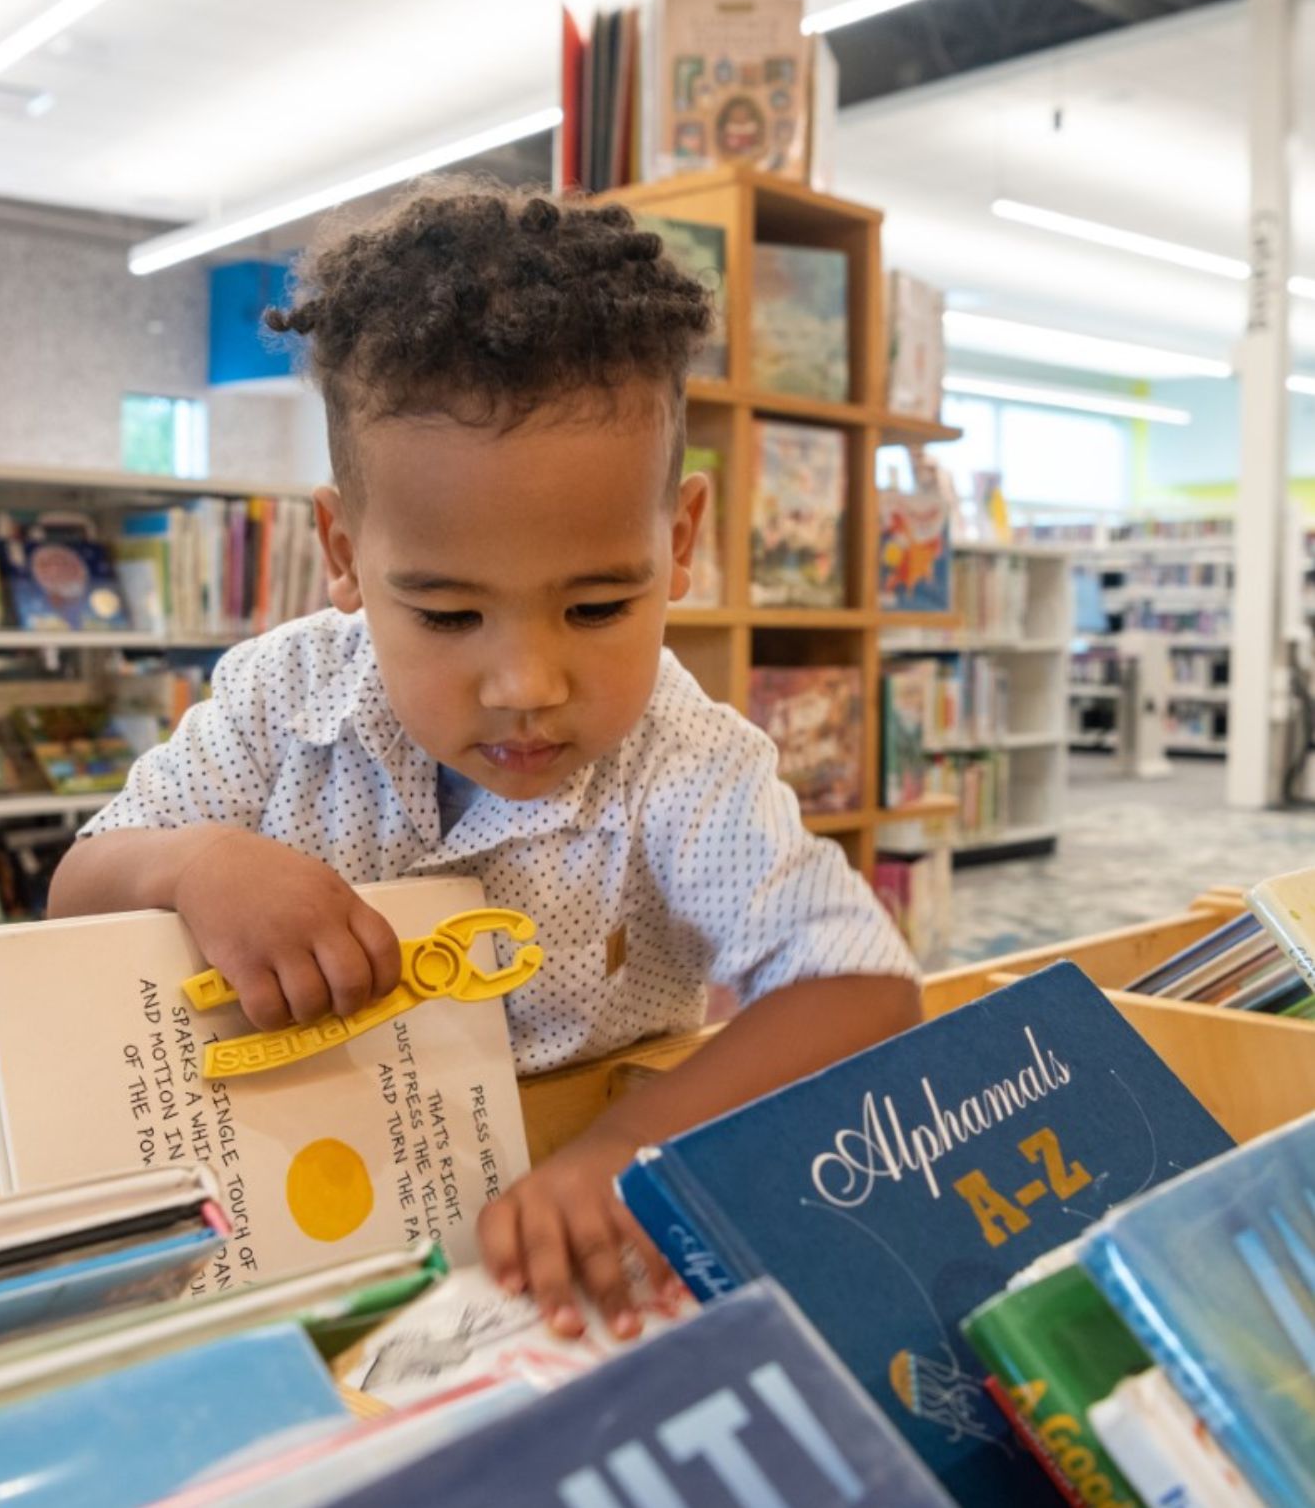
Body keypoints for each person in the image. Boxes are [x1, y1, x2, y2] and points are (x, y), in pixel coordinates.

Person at [49, 178, 921, 1340]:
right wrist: (194, 864)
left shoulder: (679, 757)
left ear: (683, 543)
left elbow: (857, 984)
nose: (528, 686)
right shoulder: (276, 699)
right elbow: (78, 892)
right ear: (346, 554)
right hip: (289, 1242)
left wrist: (621, 1157)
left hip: (558, 1268)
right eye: (452, 618)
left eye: (601, 605)